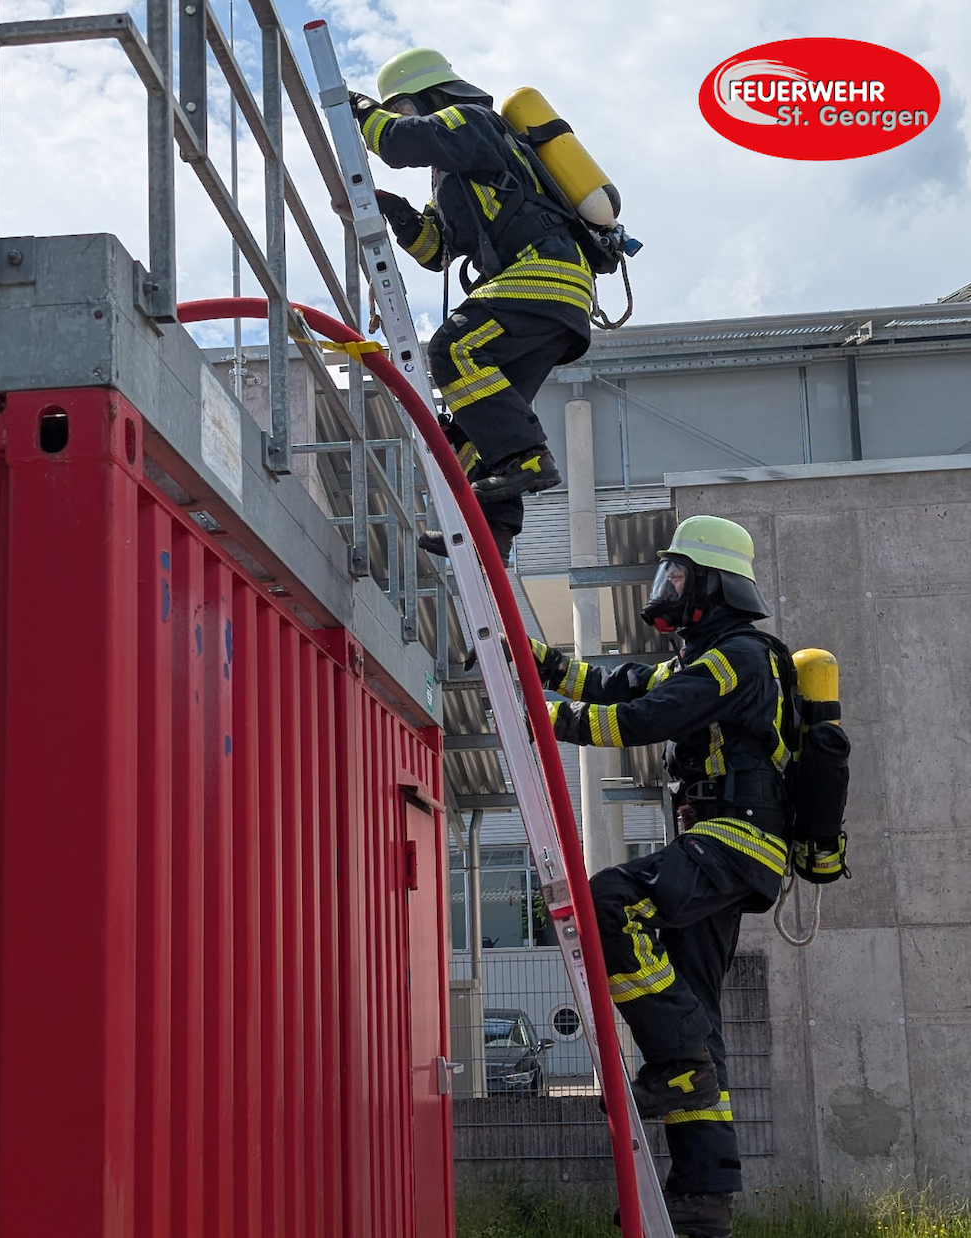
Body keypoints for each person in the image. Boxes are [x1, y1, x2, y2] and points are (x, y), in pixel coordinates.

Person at [528, 515, 794, 1238]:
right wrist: (545, 665)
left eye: (677, 576)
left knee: (612, 900)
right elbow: (618, 684)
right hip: (722, 842)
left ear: (712, 585)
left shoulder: (738, 657)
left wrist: (549, 719)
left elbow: (644, 718)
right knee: (698, 1023)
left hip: (737, 838)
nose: (665, 587)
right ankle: (703, 1203)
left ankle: (678, 1063)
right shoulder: (700, 659)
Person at [347, 48, 597, 564]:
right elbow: (437, 251)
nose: (402, 119)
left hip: (542, 273)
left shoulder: (472, 121)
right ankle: (494, 534)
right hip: (550, 291)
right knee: (473, 427)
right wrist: (395, 211)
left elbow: (397, 142)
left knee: (453, 350)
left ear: (430, 97)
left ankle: (528, 458)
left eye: (404, 108)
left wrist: (358, 108)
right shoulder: (453, 175)